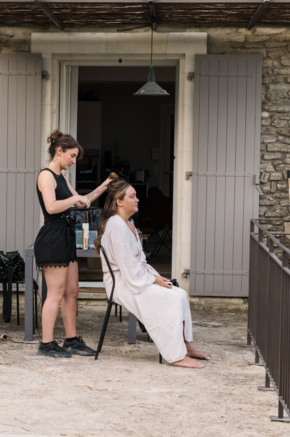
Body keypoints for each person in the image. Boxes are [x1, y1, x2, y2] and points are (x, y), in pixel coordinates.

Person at [97, 174, 207, 369]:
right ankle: (175, 355)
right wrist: (153, 281)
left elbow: (139, 262)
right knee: (171, 298)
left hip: (133, 278)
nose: (137, 199)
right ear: (119, 202)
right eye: (132, 196)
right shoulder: (116, 226)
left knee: (180, 293)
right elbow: (129, 269)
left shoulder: (128, 224)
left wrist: (156, 277)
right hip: (122, 283)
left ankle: (186, 346)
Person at [34, 130, 111, 357]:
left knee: (72, 291)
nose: (74, 161)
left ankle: (71, 340)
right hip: (53, 236)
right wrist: (72, 199)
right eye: (72, 156)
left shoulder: (61, 177)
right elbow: (51, 207)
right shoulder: (46, 176)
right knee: (55, 294)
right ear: (60, 151)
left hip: (66, 235)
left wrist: (106, 185)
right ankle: (46, 345)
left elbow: (82, 202)